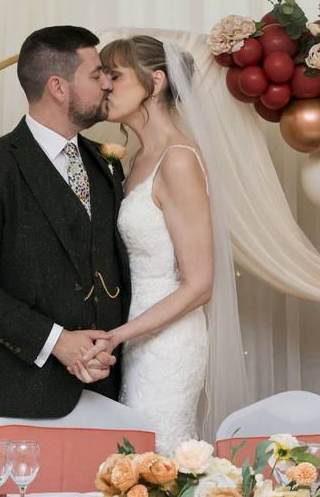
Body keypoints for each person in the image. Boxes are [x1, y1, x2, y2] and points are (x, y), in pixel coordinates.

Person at [0, 25, 131, 492]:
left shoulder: (107, 162)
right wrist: (57, 342)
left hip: (104, 387)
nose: (107, 83)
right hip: (11, 389)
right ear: (58, 86)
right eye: (96, 74)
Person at [71, 36, 214, 454]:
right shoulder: (134, 160)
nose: (105, 86)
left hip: (167, 343)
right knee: (129, 462)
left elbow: (200, 283)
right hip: (135, 333)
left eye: (114, 75)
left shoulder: (179, 159)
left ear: (155, 83)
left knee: (158, 458)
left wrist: (117, 335)